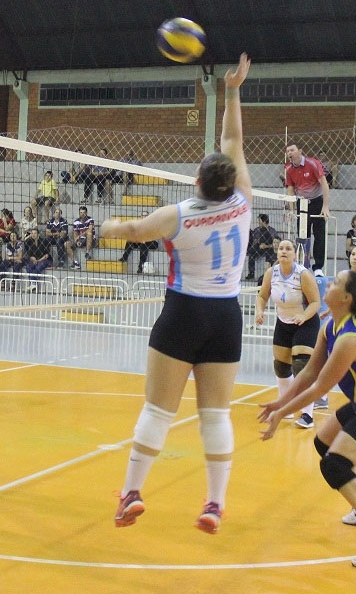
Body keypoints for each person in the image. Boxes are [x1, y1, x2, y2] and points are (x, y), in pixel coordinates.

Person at [102, 53, 253, 535]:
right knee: (216, 415)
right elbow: (233, 140)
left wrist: (99, 227)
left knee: (157, 411)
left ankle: (131, 493)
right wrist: (231, 91)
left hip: (183, 313)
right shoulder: (244, 201)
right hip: (226, 317)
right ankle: (214, 504)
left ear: (197, 180)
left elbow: (131, 229)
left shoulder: (179, 214)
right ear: (229, 182)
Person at [259, 270, 356, 569]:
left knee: (335, 465)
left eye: (336, 282)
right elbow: (310, 373)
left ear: (347, 298)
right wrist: (280, 401)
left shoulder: (351, 337)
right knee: (323, 443)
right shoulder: (330, 326)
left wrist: (280, 414)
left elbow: (320, 389)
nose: (329, 283)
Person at [254, 239, 325, 427]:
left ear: (295, 254)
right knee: (281, 367)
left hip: (305, 322)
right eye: (281, 248)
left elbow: (316, 302)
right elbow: (262, 295)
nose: (284, 251)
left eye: (288, 248)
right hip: (283, 322)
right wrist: (260, 311)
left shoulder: (303, 275)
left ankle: (307, 415)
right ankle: (284, 406)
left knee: (301, 366)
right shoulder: (272, 273)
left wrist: (303, 315)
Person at [284, 143, 332, 272]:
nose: (289, 153)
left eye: (292, 150)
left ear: (300, 151)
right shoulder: (288, 168)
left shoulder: (313, 163)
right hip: (302, 204)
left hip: (317, 202)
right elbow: (290, 189)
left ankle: (318, 268)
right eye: (287, 151)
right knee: (302, 236)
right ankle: (303, 265)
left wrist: (325, 206)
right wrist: (292, 210)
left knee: (319, 235)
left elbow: (324, 183)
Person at [244, 213, 279, 282]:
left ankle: (270, 274)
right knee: (251, 253)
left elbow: (276, 243)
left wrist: (266, 246)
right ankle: (251, 273)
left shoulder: (272, 231)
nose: (258, 222)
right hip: (259, 248)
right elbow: (253, 241)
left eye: (259, 220)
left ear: (264, 221)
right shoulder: (256, 230)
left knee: (270, 252)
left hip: (269, 248)